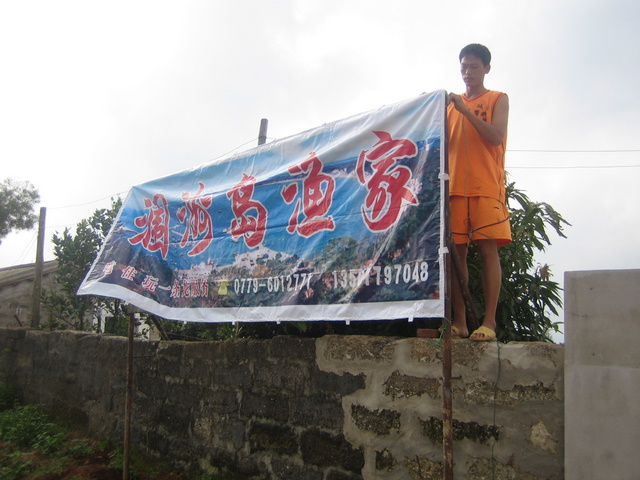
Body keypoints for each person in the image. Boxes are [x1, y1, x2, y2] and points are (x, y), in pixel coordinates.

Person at [446, 43, 510, 341]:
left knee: (487, 250)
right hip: (454, 188)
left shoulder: (497, 98)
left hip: (486, 186)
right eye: (463, 67)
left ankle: (489, 323)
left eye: (473, 66)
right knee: (456, 256)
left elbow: (495, 136)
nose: (467, 72)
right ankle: (459, 323)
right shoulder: (449, 105)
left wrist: (465, 111)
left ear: (486, 68)